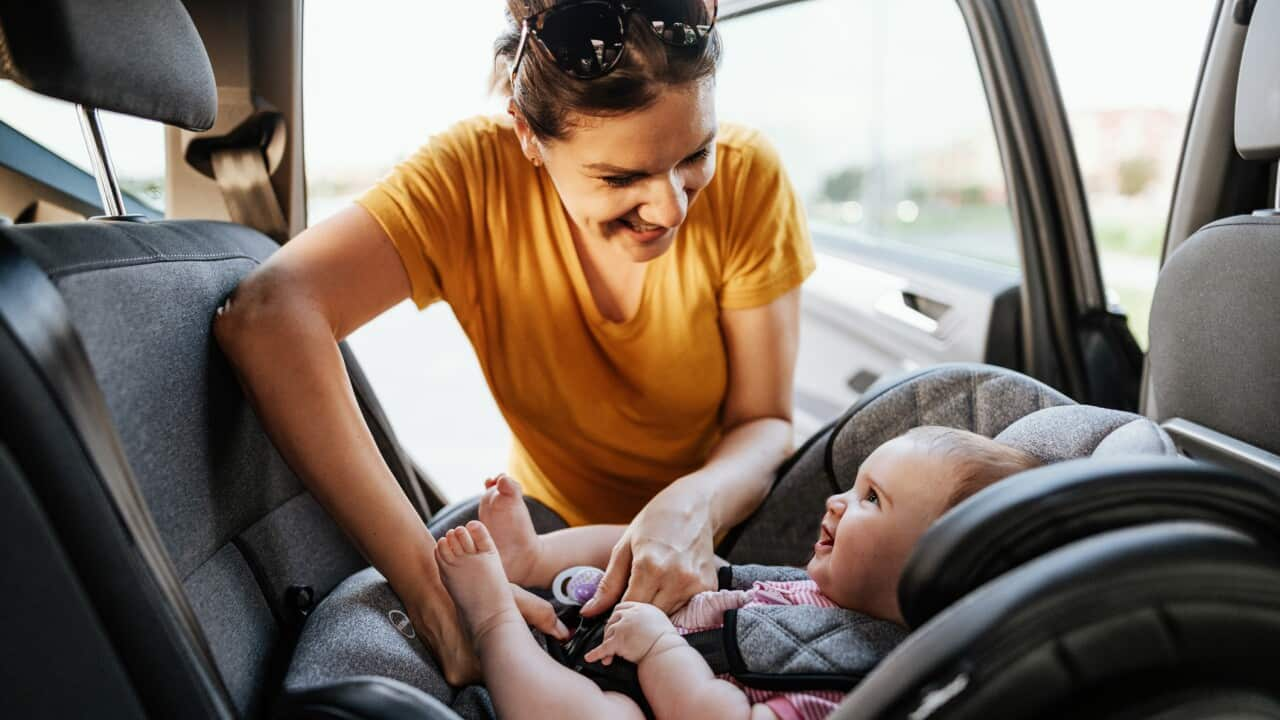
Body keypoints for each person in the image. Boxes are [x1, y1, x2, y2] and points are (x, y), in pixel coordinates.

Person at [213, 0, 812, 684]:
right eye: (621, 178)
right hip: (551, 538)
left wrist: (692, 502)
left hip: (725, 528)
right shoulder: (471, 179)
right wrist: (433, 597)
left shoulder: (751, 176)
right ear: (528, 134)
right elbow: (266, 315)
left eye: (694, 155)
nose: (673, 206)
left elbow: (763, 423)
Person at [434, 427, 1042, 719]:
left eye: (871, 501)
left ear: (933, 568)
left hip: (647, 696)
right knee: (685, 556)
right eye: (854, 487)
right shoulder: (821, 593)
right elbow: (727, 592)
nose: (836, 502)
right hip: (633, 632)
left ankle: (490, 625)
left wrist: (661, 649)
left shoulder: (857, 688)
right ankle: (533, 560)